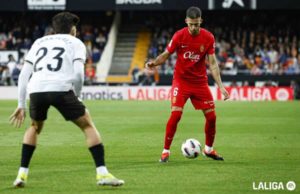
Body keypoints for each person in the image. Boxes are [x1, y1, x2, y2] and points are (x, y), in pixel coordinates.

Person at [9, 12, 124, 187]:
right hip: (61, 88)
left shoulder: (39, 42)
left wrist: (20, 104)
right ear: (72, 29)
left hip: (36, 90)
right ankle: (102, 174)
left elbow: (24, 74)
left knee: (34, 127)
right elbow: (78, 74)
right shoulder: (76, 43)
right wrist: (77, 95)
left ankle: (21, 175)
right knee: (87, 125)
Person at [145, 7, 229, 163]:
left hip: (200, 83)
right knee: (176, 114)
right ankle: (165, 151)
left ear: (201, 22)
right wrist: (154, 63)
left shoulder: (208, 37)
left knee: (212, 117)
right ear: (186, 22)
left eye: (196, 24)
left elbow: (213, 64)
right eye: (191, 24)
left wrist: (221, 87)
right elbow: (166, 54)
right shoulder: (179, 36)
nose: (193, 28)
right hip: (181, 81)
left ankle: (208, 150)